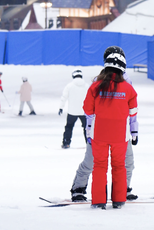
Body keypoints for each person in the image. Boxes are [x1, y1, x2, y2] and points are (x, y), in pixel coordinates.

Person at [83, 46, 138, 210]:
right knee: (119, 165)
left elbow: (87, 109)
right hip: (120, 136)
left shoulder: (95, 86)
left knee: (99, 166)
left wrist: (88, 130)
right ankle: (119, 200)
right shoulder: (128, 89)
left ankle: (99, 201)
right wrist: (134, 132)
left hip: (99, 134)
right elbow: (133, 112)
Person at [70, 71, 139, 203]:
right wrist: (89, 130)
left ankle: (123, 189)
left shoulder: (126, 81)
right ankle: (78, 188)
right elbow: (90, 109)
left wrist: (133, 131)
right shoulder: (100, 81)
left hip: (121, 132)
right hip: (98, 131)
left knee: (127, 163)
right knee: (91, 162)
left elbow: (132, 109)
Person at [59, 70, 89, 149]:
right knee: (87, 128)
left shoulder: (69, 86)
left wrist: (61, 107)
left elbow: (64, 97)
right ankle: (89, 144)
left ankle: (66, 143)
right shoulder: (87, 86)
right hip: (84, 111)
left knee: (69, 127)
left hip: (72, 111)